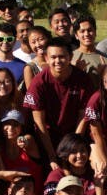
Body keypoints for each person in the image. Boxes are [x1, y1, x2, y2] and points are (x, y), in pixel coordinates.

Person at [24, 38, 96, 167]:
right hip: (47, 138)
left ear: (70, 57)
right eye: (53, 57)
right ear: (46, 58)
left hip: (75, 134)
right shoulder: (39, 82)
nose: (57, 61)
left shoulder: (82, 79)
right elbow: (39, 122)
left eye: (62, 57)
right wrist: (52, 157)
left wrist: (73, 147)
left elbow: (83, 116)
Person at [71, 16, 107, 82]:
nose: (86, 34)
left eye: (90, 30)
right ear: (76, 35)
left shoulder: (106, 60)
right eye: (82, 31)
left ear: (95, 32)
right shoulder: (70, 58)